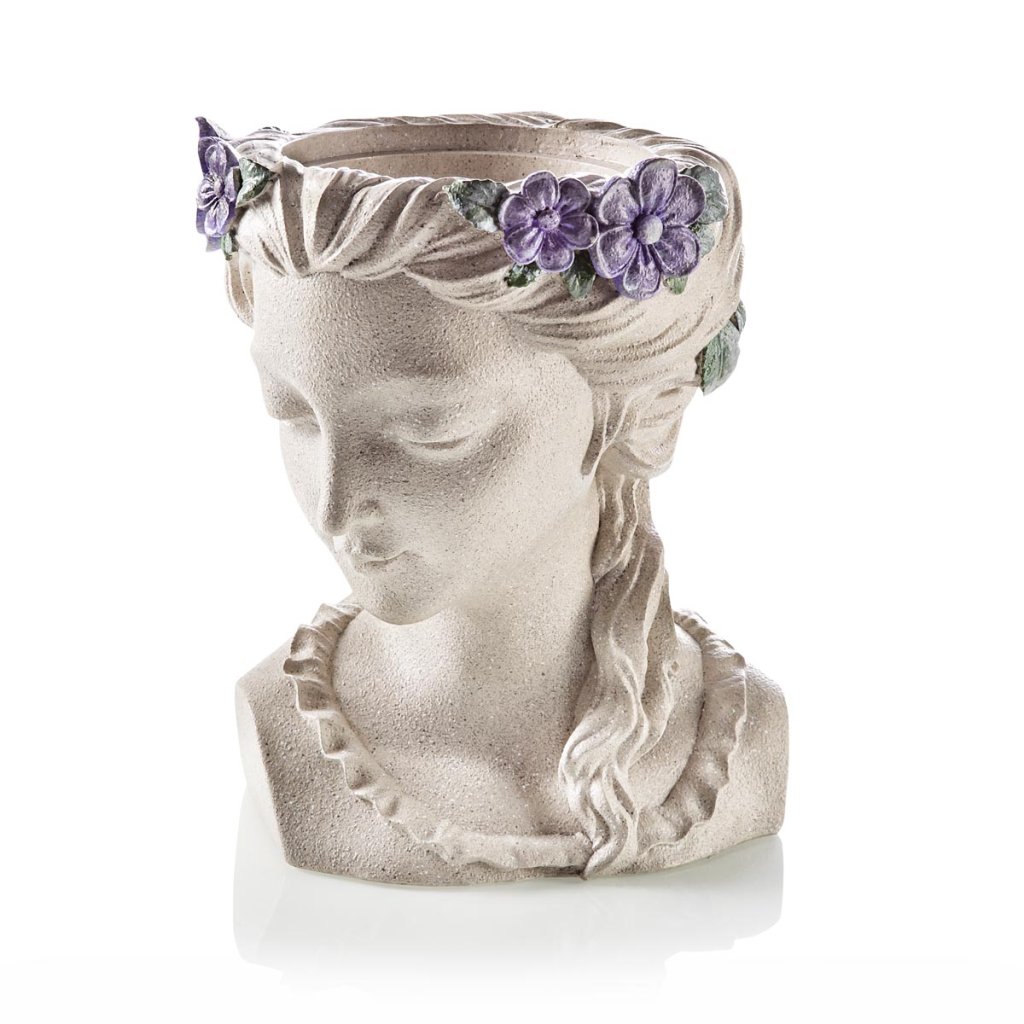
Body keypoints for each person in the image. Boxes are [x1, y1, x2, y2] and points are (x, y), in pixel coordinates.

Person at [213, 112, 787, 884]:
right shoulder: (289, 731)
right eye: (294, 414)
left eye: (432, 432)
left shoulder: (736, 738)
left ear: (634, 411)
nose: (335, 506)